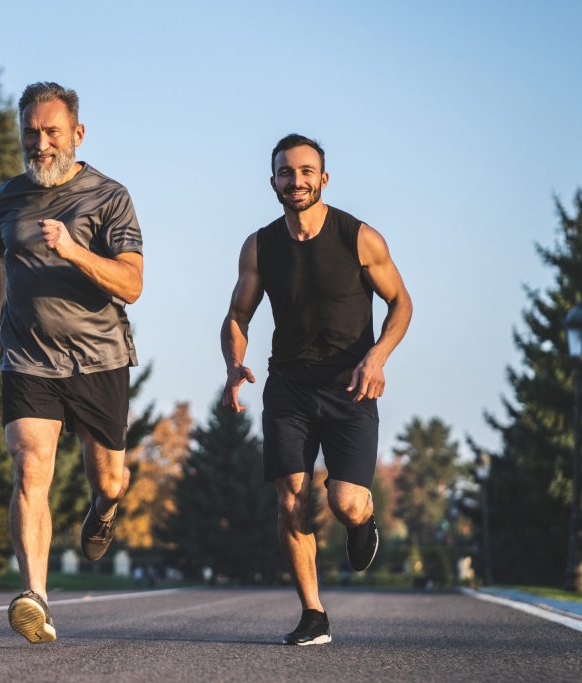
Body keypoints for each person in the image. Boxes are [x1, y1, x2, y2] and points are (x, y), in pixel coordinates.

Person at [220, 134, 413, 646]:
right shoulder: (260, 245)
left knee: (345, 500)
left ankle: (360, 522)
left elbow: (401, 305)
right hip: (288, 388)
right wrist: (234, 364)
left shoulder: (359, 238)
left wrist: (377, 357)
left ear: (323, 179)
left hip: (351, 388)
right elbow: (237, 316)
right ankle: (313, 614)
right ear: (273, 182)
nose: (296, 180)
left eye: (306, 171)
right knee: (291, 502)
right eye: (287, 172)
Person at [0, 82, 144, 644]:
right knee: (30, 468)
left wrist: (73, 249)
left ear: (77, 133)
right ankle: (36, 598)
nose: (41, 143)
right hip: (28, 359)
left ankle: (103, 509)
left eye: (52, 131)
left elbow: (133, 283)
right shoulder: (6, 198)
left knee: (111, 479)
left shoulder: (109, 196)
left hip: (99, 359)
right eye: (31, 132)